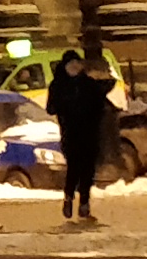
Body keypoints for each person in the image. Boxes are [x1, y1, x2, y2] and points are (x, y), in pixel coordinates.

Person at [44, 41, 120, 224]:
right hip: (71, 134)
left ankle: (84, 204)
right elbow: (51, 108)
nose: (74, 68)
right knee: (74, 168)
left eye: (77, 64)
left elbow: (103, 93)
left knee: (88, 170)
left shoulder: (88, 84)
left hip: (89, 133)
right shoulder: (58, 85)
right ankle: (69, 197)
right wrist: (67, 106)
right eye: (71, 65)